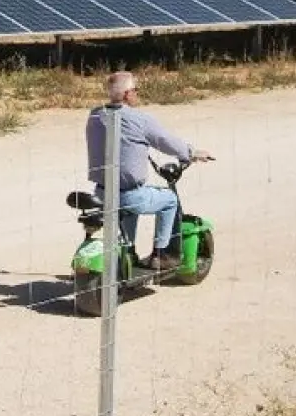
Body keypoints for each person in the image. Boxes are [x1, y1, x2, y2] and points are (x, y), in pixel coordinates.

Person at [84, 70, 212, 269]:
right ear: (127, 94)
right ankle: (162, 255)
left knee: (128, 206)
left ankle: (130, 252)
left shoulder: (94, 115)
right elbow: (165, 141)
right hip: (129, 195)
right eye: (135, 90)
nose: (137, 94)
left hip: (102, 192)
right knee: (169, 200)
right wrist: (191, 153)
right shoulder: (139, 119)